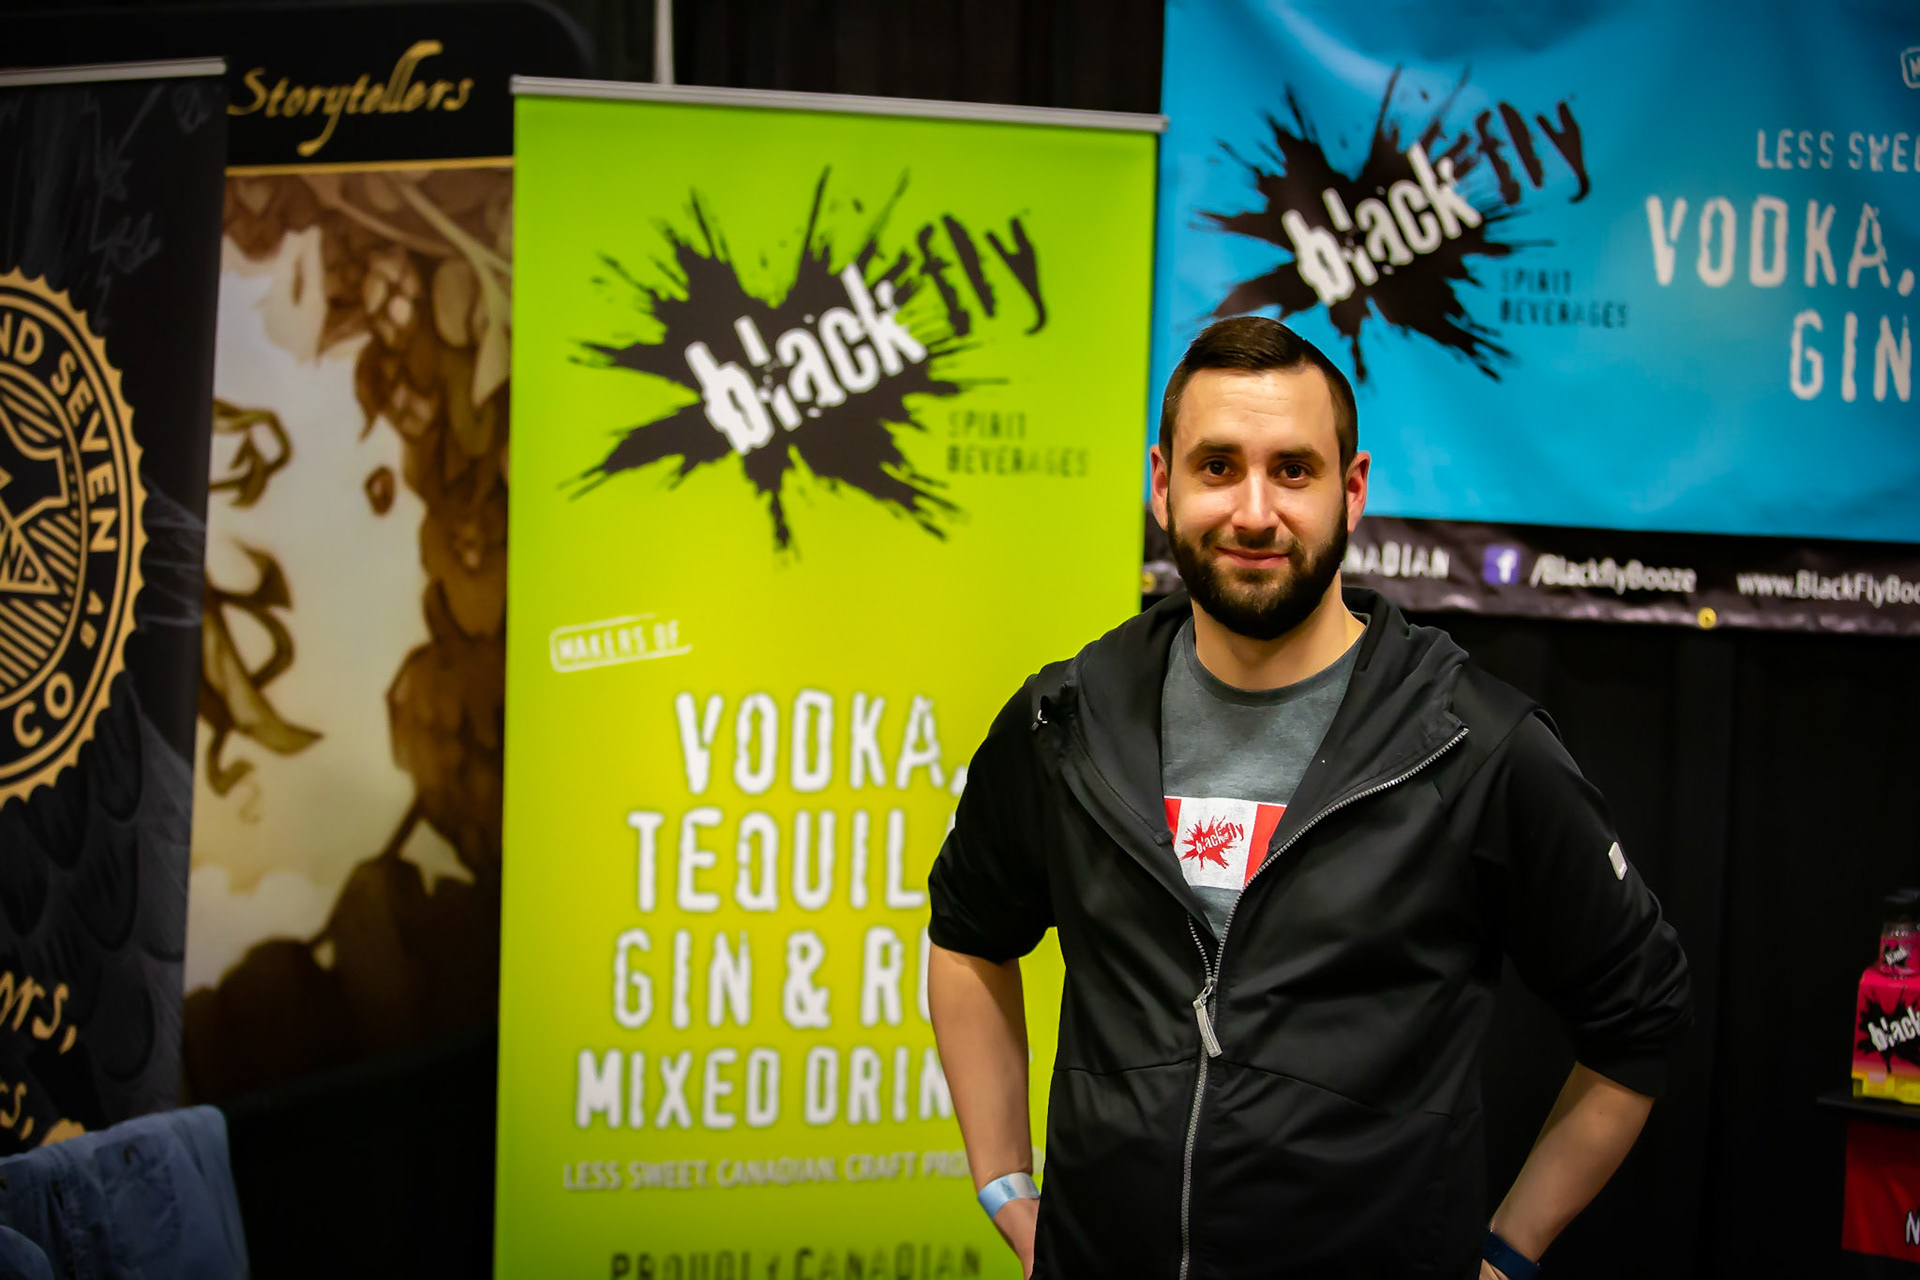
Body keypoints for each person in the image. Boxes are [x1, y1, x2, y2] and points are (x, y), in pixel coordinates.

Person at [925, 316, 1691, 1280]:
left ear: (1352, 489)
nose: (1255, 512)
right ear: (1161, 484)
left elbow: (1639, 1015)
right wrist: (1007, 1186)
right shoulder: (1066, 721)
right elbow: (967, 933)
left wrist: (1507, 1250)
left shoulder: (1472, 746)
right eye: (1217, 467)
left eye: (1293, 470)